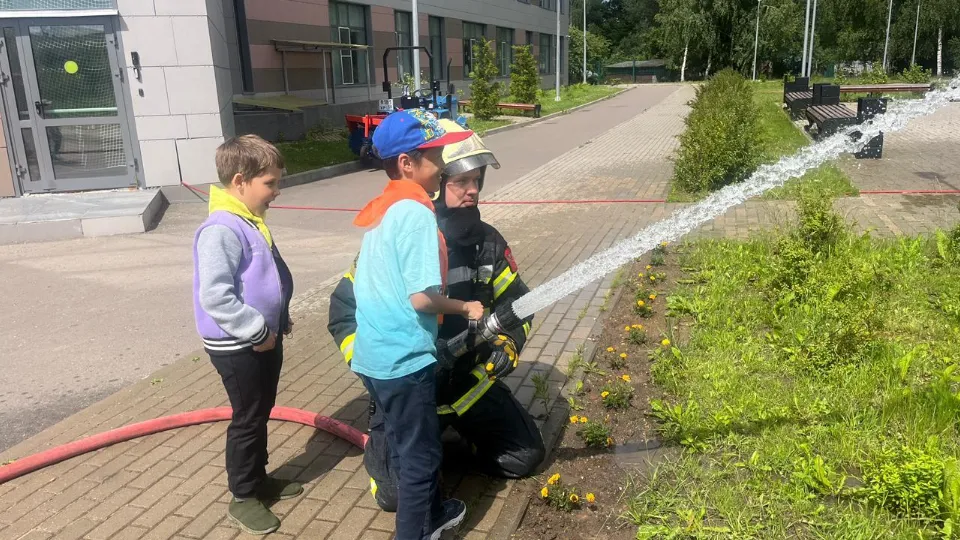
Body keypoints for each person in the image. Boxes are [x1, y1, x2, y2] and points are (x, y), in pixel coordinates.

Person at [329, 119, 545, 514]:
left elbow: (519, 303)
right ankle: (412, 452)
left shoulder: (489, 244)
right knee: (395, 496)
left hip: (468, 389)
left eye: (477, 180)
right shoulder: (404, 231)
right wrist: (374, 371)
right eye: (461, 181)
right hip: (410, 393)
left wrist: (508, 346)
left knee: (523, 458)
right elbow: (343, 311)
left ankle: (440, 450)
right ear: (437, 179)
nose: (473, 190)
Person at [349, 109, 484, 540]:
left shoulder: (386, 209)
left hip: (375, 357)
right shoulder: (416, 214)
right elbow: (422, 299)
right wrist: (466, 308)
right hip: (405, 362)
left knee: (413, 446)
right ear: (406, 163)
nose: (443, 163)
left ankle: (437, 512)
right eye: (434, 155)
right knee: (420, 459)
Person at [192, 135, 299, 535]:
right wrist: (257, 329)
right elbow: (216, 297)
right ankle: (242, 496)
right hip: (238, 344)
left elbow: (264, 279)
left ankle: (258, 479)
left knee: (261, 409)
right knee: (248, 417)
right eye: (270, 183)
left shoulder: (247, 220)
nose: (276, 191)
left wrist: (279, 316)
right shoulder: (219, 229)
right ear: (240, 181)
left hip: (262, 337)